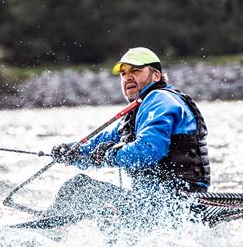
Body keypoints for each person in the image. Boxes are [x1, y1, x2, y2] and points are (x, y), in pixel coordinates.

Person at [47, 47, 210, 217]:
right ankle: (52, 228)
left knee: (78, 187)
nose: (128, 77)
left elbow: (150, 149)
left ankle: (44, 232)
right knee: (105, 214)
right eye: (123, 73)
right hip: (150, 204)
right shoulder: (135, 114)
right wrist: (72, 151)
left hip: (174, 204)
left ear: (156, 76)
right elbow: (96, 144)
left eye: (136, 71)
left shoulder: (161, 100)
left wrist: (111, 155)